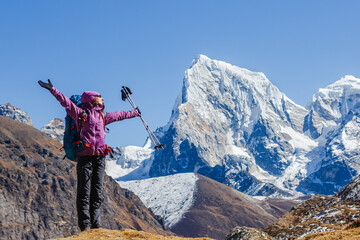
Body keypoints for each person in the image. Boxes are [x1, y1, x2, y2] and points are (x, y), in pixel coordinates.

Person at [38, 79, 140, 231]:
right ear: (92, 99)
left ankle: (96, 225)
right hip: (85, 157)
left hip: (99, 157)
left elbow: (120, 115)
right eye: (100, 96)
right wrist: (52, 89)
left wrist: (135, 113)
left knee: (97, 191)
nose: (103, 98)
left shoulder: (103, 116)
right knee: (84, 191)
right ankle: (85, 225)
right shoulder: (80, 114)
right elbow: (65, 102)